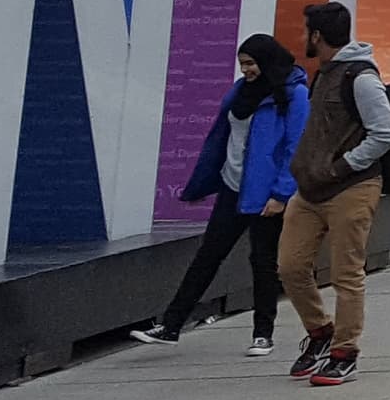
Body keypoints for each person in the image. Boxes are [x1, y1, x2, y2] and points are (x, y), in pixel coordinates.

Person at [128, 34, 309, 354]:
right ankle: (171, 325)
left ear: (267, 61)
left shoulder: (294, 96)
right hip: (232, 187)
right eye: (242, 64)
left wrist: (281, 194)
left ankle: (263, 334)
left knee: (263, 262)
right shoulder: (239, 91)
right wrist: (205, 181)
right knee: (208, 256)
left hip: (266, 196)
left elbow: (296, 148)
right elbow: (221, 138)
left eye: (251, 64)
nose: (246, 70)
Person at [279, 0, 390, 386]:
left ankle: (345, 353)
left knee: (346, 274)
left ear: (317, 35)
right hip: (311, 189)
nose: (303, 37)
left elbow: (386, 133)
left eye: (306, 31)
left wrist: (343, 166)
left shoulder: (360, 78)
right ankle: (320, 332)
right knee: (290, 266)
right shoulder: (324, 73)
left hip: (352, 187)